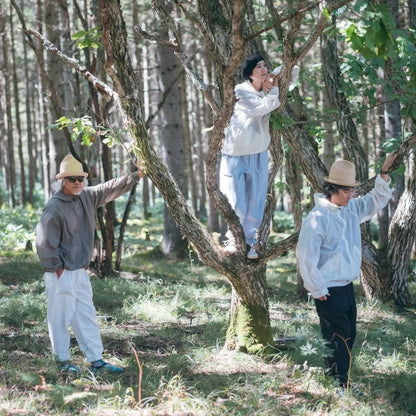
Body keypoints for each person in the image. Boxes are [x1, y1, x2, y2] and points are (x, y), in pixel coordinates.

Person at [296, 152, 397, 391]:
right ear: (331, 189)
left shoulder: (351, 209)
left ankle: (341, 381)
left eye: (352, 190)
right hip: (327, 289)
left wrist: (383, 173)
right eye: (346, 191)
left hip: (346, 287)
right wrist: (317, 288)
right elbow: (305, 255)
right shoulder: (317, 218)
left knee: (348, 334)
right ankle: (339, 385)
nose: (351, 195)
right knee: (337, 337)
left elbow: (374, 201)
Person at [36, 154, 144, 373]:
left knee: (85, 314)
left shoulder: (86, 196)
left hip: (79, 271)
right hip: (61, 271)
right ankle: (62, 362)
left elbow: (109, 188)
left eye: (80, 178)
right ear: (63, 180)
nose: (77, 183)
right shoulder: (53, 208)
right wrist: (58, 271)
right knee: (59, 317)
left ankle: (97, 361)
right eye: (72, 178)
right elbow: (44, 243)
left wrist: (137, 174)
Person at [220, 54, 299, 259]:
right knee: (235, 201)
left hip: (258, 153)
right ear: (250, 73)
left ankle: (250, 243)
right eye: (258, 67)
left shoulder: (267, 87)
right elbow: (258, 109)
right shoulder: (241, 91)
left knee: (256, 200)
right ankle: (233, 240)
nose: (263, 69)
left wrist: (273, 76)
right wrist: (273, 89)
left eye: (265, 66)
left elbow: (294, 68)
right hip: (235, 154)